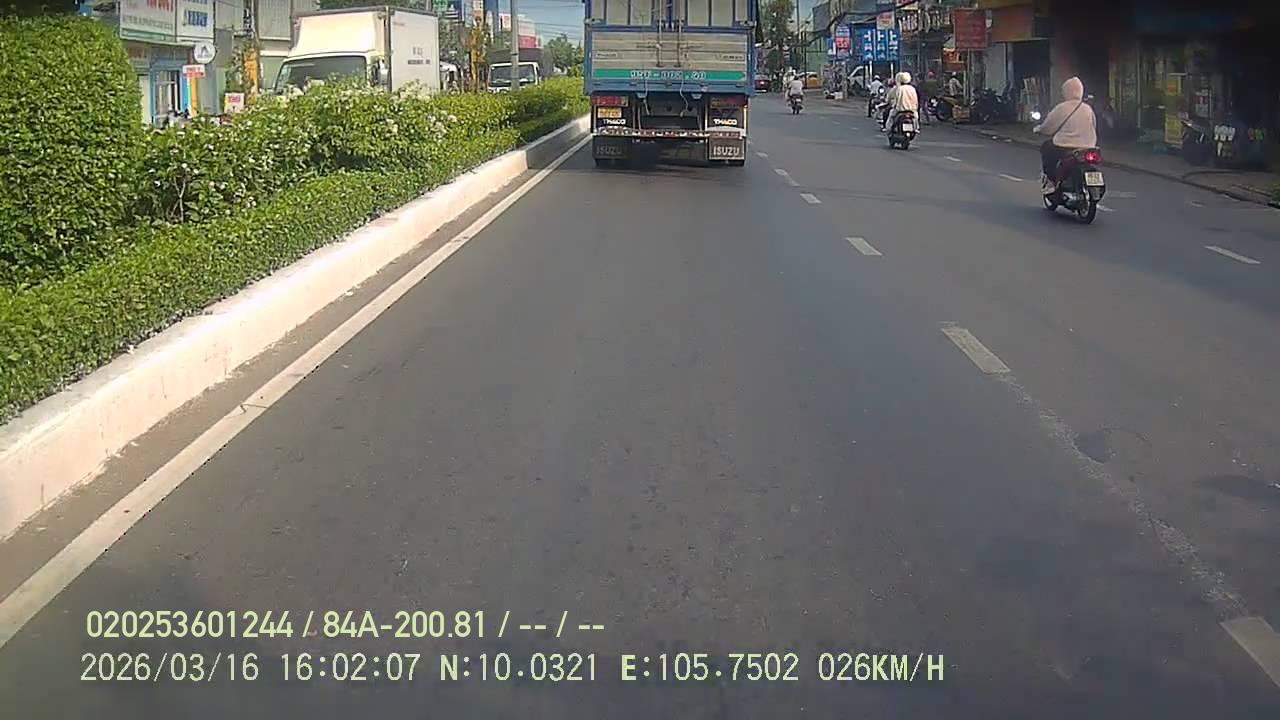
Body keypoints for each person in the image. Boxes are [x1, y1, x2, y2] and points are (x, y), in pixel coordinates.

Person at [1033, 76, 1097, 191]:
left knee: (1046, 147)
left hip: (1065, 146)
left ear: (1066, 92)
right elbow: (1094, 125)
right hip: (1088, 146)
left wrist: (1039, 129)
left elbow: (1048, 127)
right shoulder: (1088, 109)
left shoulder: (1061, 108)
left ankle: (1051, 181)